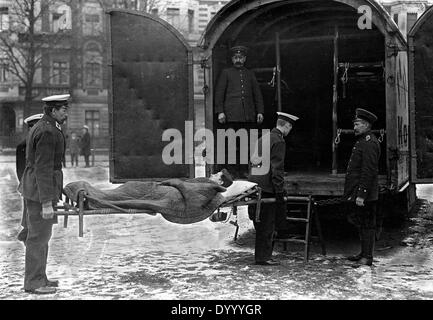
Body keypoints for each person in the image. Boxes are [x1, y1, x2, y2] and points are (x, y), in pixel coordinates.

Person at [18, 93, 70, 294]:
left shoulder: (46, 127)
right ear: (53, 110)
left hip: (37, 190)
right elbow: (43, 168)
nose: (66, 112)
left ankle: (40, 278)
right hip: (39, 192)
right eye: (63, 109)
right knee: (38, 237)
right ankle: (34, 282)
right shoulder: (47, 131)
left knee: (40, 235)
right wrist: (47, 202)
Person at [248, 112, 298, 266]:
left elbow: (253, 161)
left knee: (260, 221)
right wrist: (279, 191)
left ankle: (262, 256)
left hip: (256, 185)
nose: (289, 131)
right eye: (290, 127)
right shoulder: (279, 141)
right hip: (268, 187)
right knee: (268, 223)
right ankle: (263, 257)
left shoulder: (264, 138)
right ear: (286, 126)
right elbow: (277, 169)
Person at [215, 45, 265, 179]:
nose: (238, 60)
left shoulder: (249, 74)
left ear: (245, 59)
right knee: (231, 145)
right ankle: (232, 171)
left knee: (246, 145)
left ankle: (243, 170)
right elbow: (219, 94)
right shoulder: (226, 73)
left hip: (247, 115)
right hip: (231, 116)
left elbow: (257, 94)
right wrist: (220, 111)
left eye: (241, 57)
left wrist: (260, 111)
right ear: (232, 59)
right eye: (236, 57)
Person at [344, 108, 381, 266]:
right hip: (360, 192)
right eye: (355, 124)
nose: (355, 127)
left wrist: (361, 194)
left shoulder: (369, 143)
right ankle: (363, 253)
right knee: (362, 223)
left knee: (367, 225)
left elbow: (368, 171)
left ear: (366, 125)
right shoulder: (362, 141)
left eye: (358, 124)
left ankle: (367, 257)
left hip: (366, 194)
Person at [16, 113, 44, 243]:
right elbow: (20, 170)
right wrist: (27, 185)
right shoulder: (24, 145)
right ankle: (27, 236)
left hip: (38, 186)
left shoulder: (40, 142)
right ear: (31, 128)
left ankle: (27, 236)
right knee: (31, 217)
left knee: (35, 218)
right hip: (30, 186)